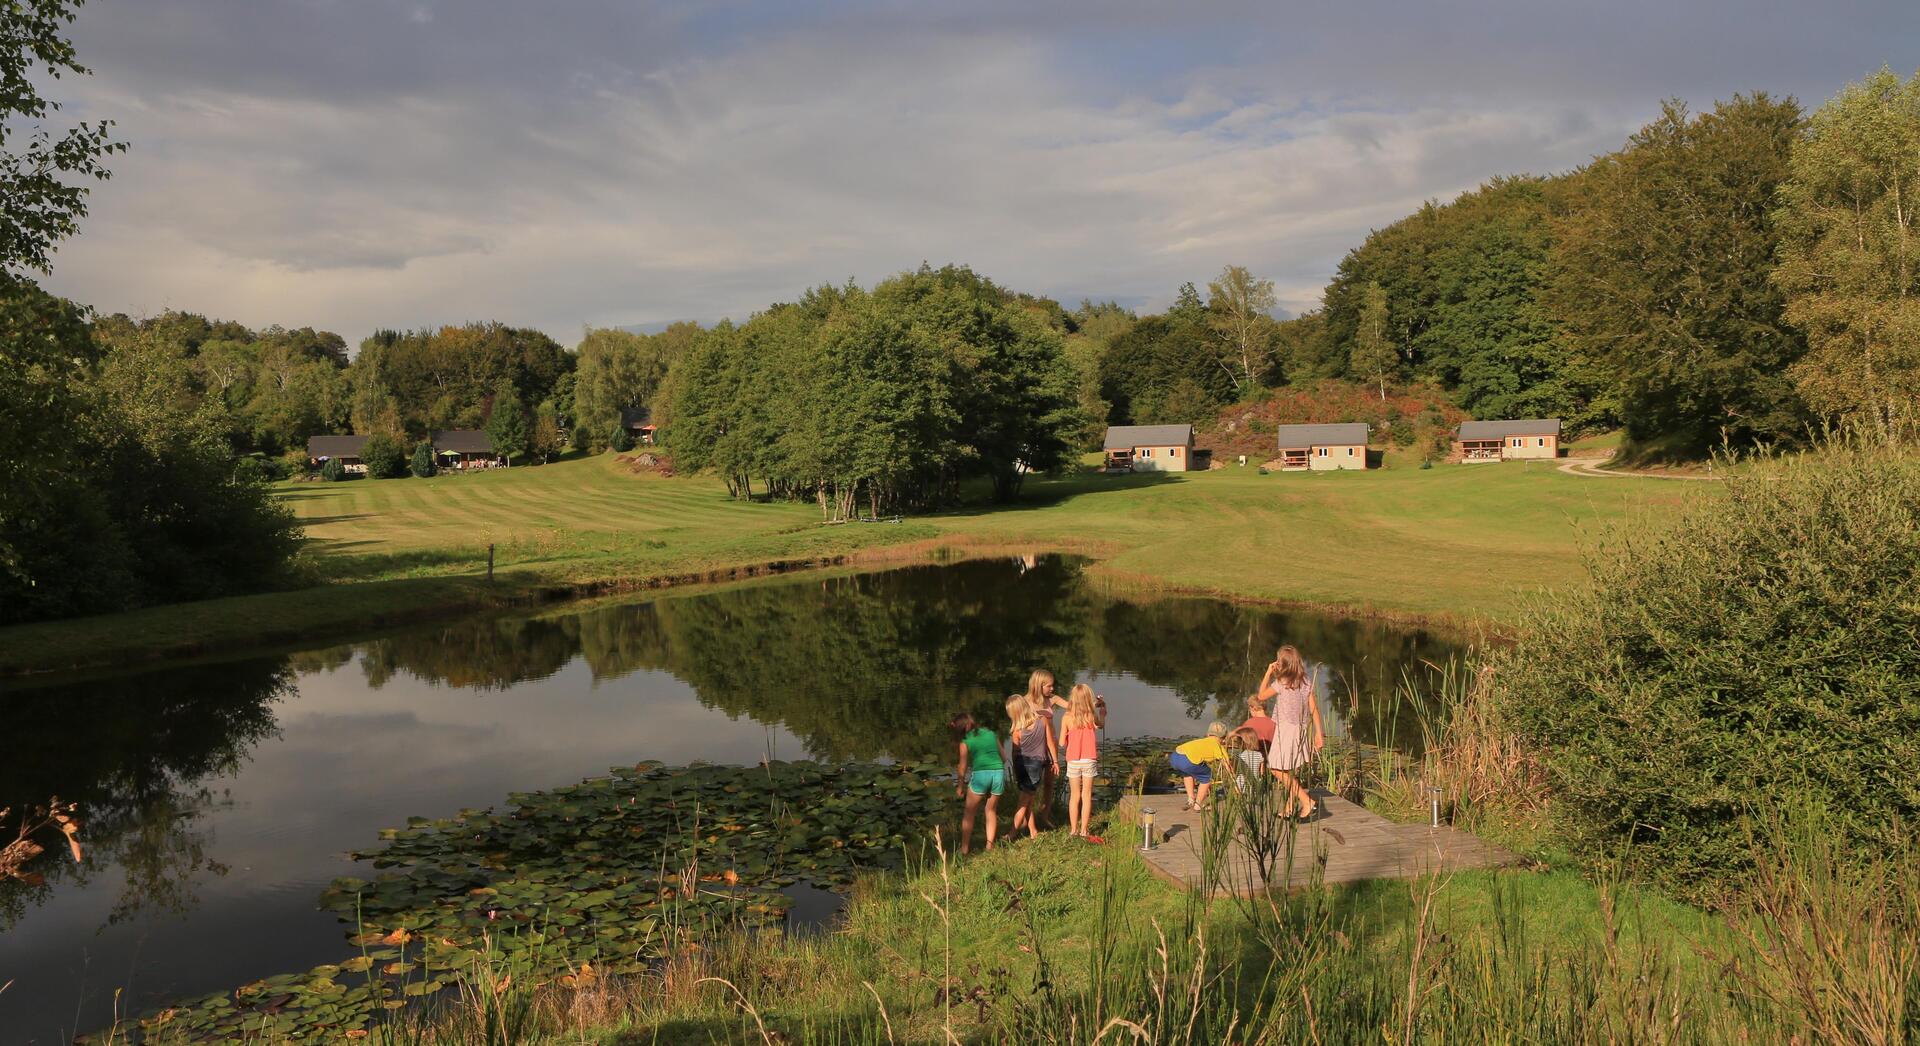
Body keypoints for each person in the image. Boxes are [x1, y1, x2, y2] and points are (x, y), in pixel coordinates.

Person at [1265, 645, 1327, 819]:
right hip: (1299, 730)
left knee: (1276, 769)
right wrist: (1318, 733)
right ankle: (1289, 808)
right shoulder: (1305, 681)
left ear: (1282, 663)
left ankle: (1307, 801)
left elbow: (1261, 696)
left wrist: (1268, 673)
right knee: (1290, 770)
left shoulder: (1281, 683)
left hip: (1286, 729)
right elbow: (1313, 709)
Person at [950, 712, 1007, 854]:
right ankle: (989, 846)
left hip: (981, 776)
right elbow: (1004, 758)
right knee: (991, 810)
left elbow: (962, 766)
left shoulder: (965, 741)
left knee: (969, 813)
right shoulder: (991, 733)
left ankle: (964, 849)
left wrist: (960, 786)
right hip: (998, 773)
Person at [1061, 684, 1108, 842]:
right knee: (1086, 795)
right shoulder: (1091, 716)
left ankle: (1073, 830)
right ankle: (1084, 830)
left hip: (1073, 760)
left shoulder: (1066, 717)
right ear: (1089, 698)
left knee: (1074, 796)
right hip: (1089, 759)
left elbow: (1061, 742)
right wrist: (1103, 712)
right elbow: (1100, 725)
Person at [1025, 669, 1069, 827]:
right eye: (1049, 686)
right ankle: (1029, 820)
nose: (1052, 689)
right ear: (1039, 685)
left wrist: (1094, 704)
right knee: (1031, 786)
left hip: (1051, 748)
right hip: (1034, 750)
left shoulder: (1053, 699)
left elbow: (1073, 707)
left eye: (1052, 686)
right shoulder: (1025, 702)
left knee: (1049, 784)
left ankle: (1044, 815)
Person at [1006, 694, 1053, 839]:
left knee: (1024, 802)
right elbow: (1050, 742)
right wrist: (1054, 761)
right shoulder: (1041, 721)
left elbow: (1014, 753)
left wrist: (1014, 770)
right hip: (1035, 766)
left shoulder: (1017, 731)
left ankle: (1012, 833)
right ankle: (1032, 831)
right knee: (1027, 800)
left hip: (1021, 766)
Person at [1168, 722, 1231, 811]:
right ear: (1223, 738)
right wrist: (1234, 782)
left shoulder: (1201, 741)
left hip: (1175, 756)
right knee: (1207, 777)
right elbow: (1227, 765)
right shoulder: (1218, 746)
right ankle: (1198, 805)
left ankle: (1191, 799)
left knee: (1187, 774)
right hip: (1187, 761)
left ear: (1208, 734)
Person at [1228, 725, 1266, 789]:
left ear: (1242, 742)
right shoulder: (1260, 755)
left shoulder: (1240, 756)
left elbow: (1234, 771)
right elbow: (1262, 773)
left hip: (1240, 785)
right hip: (1254, 785)